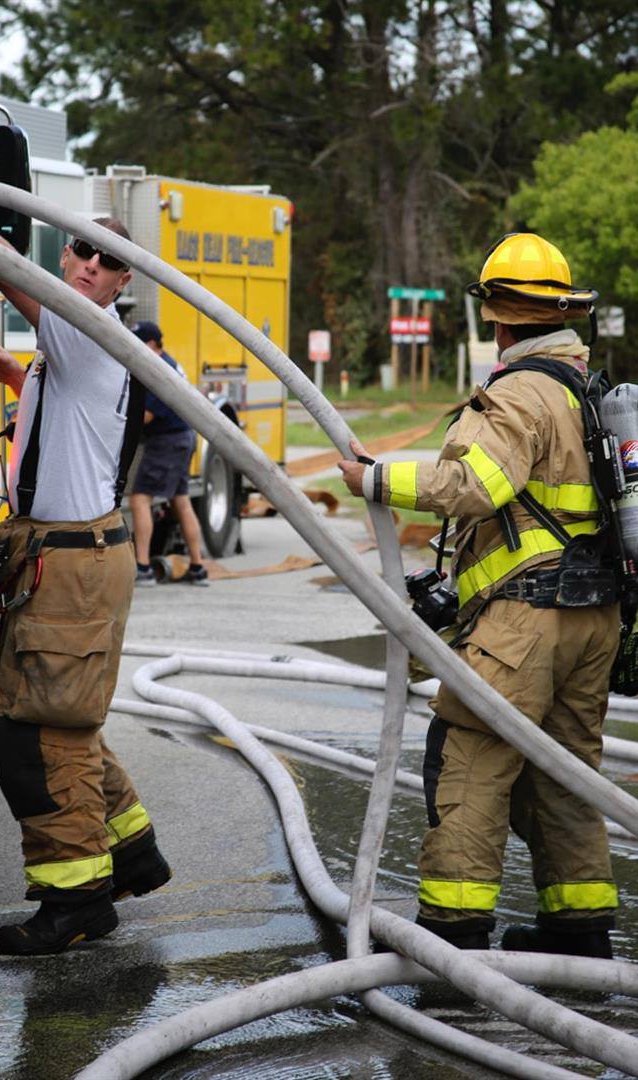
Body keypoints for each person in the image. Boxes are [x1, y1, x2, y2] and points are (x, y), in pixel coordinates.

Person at [339, 233, 620, 958]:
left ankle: (450, 943)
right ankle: (578, 933)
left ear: (495, 315)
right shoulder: (584, 388)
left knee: (469, 764)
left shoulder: (519, 390)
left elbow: (474, 488)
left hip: (523, 619)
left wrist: (374, 480)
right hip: (592, 618)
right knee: (562, 774)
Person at [0, 180, 171, 954]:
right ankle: (131, 853)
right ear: (67, 254)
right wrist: (8, 377)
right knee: (66, 722)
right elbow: (74, 423)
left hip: (71, 565)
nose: (91, 263)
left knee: (33, 737)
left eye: (109, 258)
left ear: (125, 279)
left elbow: (1, 263)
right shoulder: (70, 344)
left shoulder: (90, 327)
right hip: (63, 559)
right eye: (81, 250)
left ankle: (76, 902)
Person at [128, 321, 208, 586]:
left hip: (168, 441)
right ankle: (197, 567)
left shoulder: (159, 370)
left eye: (137, 343)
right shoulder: (170, 363)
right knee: (180, 500)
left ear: (151, 344)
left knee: (140, 499)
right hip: (183, 437)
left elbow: (145, 417)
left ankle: (142, 567)